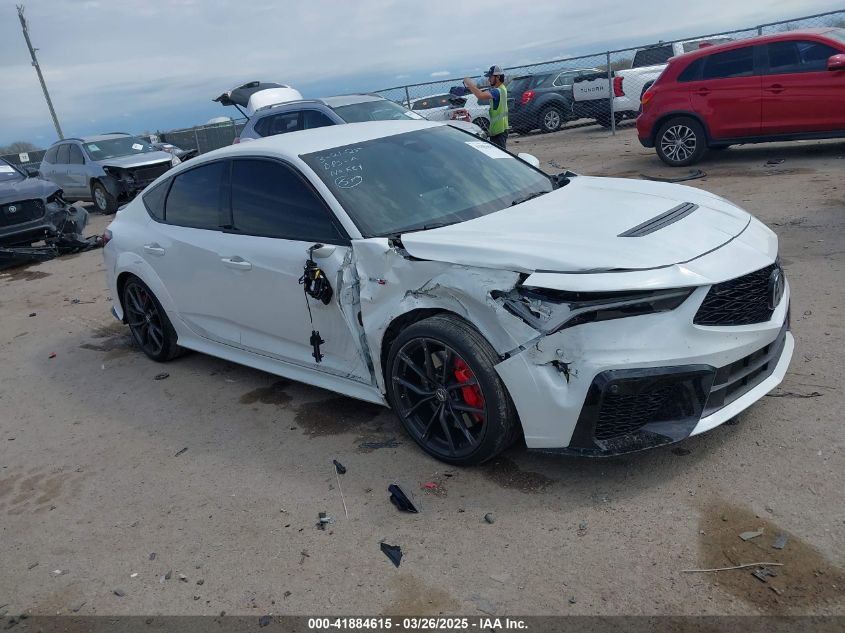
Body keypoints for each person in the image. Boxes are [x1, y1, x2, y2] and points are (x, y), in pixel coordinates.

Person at [463, 65, 508, 150]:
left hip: (499, 132)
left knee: (499, 155)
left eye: (490, 77)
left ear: (498, 77)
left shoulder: (498, 91)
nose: (489, 79)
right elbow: (482, 93)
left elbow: (480, 95)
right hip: (499, 131)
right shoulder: (501, 89)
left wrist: (469, 83)